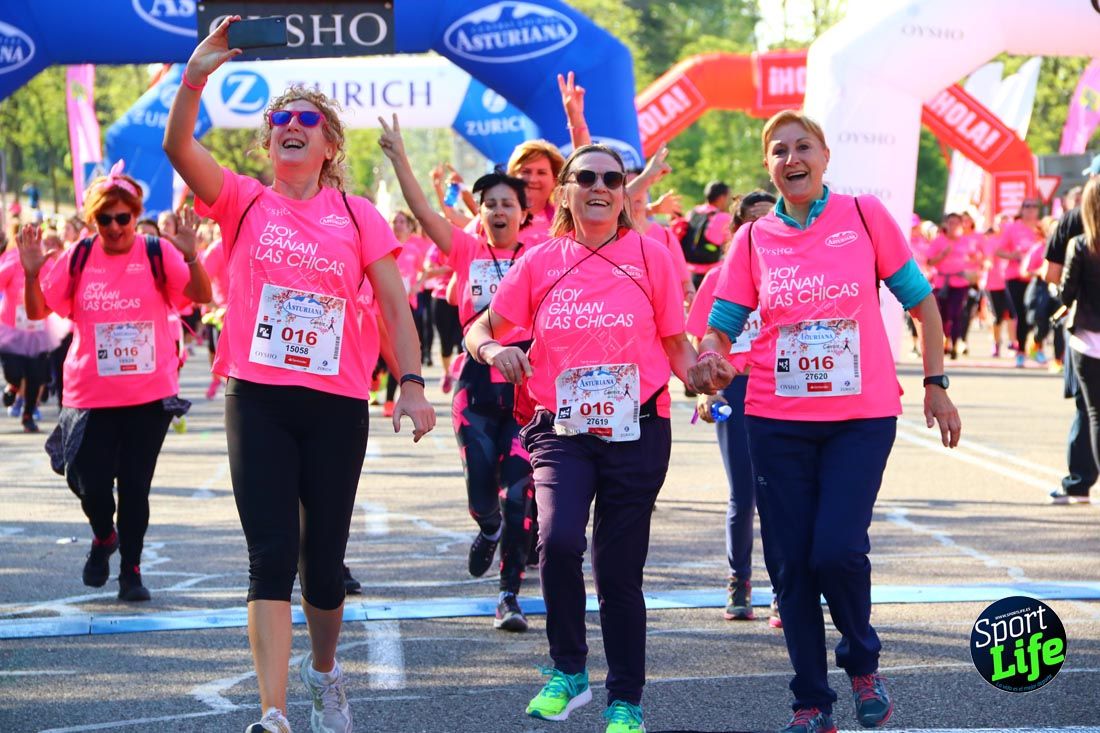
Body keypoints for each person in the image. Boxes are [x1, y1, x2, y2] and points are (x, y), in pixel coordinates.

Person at [163, 17, 435, 733]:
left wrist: (410, 381)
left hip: (336, 401)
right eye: (279, 118)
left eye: (305, 119)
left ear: (328, 143)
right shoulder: (244, 199)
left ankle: (324, 674)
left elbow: (394, 306)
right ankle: (274, 712)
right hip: (259, 397)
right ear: (268, 140)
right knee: (271, 553)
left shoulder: (359, 214)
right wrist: (197, 74)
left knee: (323, 566)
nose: (290, 125)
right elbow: (177, 146)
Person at [690, 110, 961, 733]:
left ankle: (863, 665)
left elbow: (920, 302)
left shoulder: (863, 215)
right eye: (779, 151)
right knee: (789, 563)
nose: (792, 159)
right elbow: (723, 323)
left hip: (860, 416)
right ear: (769, 166)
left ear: (825, 155)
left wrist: (936, 384)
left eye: (802, 147)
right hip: (777, 419)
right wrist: (712, 357)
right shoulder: (753, 240)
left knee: (837, 549)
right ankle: (811, 702)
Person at [465, 144, 699, 733]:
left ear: (624, 192)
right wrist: (495, 350)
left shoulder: (651, 256)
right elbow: (478, 329)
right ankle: (568, 670)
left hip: (638, 428)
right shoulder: (541, 261)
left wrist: (698, 371)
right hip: (561, 430)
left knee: (619, 570)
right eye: (586, 177)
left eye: (612, 179)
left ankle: (626, 699)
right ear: (565, 192)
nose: (600, 187)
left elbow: (675, 342)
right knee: (560, 537)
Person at [17, 165, 211, 602]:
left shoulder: (156, 253)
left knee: (136, 487)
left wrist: (192, 255)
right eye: (106, 220)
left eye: (124, 218)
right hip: (89, 394)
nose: (116, 227)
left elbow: (200, 295)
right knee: (85, 480)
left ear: (135, 215)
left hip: (148, 394)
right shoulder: (79, 257)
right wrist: (32, 274)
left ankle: (131, 571)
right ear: (93, 221)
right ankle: (104, 535)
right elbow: (36, 312)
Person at [379, 113, 536, 632]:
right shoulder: (468, 250)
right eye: (488, 203)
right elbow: (424, 211)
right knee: (480, 489)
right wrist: (401, 158)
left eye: (506, 203)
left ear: (522, 213)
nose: (496, 210)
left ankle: (508, 595)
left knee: (518, 498)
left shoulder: (541, 255)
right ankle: (486, 530)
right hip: (476, 386)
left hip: (528, 393)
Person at [687, 190, 782, 627]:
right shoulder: (719, 278)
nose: (762, 228)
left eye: (770, 219)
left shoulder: (789, 273)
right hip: (735, 391)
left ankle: (785, 588)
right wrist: (708, 390)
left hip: (784, 388)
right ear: (738, 229)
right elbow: (699, 340)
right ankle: (739, 581)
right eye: (753, 221)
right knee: (743, 493)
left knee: (782, 494)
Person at [1044, 154, 1100, 504]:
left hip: (1087, 332)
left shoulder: (1072, 226)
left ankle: (1079, 482)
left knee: (1089, 407)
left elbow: (1052, 278)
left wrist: (1065, 293)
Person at [1060, 177, 1100, 489]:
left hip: (1088, 340)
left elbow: (1065, 293)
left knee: (1095, 415)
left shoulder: (1081, 245)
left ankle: (1083, 480)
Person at [998, 198, 1045, 367]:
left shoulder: (1041, 229)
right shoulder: (1012, 228)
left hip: (1037, 278)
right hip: (1015, 278)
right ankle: (1021, 352)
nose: (1031, 209)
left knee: (1039, 314)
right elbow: (998, 251)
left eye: (1034, 206)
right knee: (1021, 315)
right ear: (1021, 209)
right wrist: (1014, 256)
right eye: (1027, 206)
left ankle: (1037, 347)